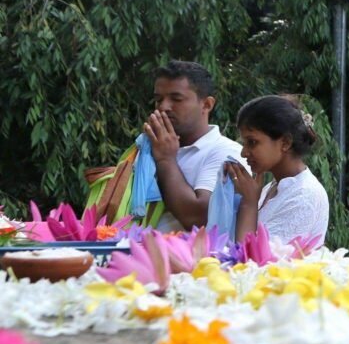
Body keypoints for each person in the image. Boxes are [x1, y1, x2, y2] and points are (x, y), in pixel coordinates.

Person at [86, 61, 247, 230]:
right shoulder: (148, 149)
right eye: (158, 100)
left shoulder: (226, 152)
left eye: (176, 99)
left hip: (189, 257)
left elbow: (199, 218)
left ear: (207, 104)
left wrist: (165, 160)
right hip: (132, 252)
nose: (163, 107)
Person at [223, 95, 329, 246]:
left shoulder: (304, 196)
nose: (243, 153)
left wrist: (249, 204)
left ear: (285, 142)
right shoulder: (272, 188)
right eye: (244, 143)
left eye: (252, 142)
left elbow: (252, 263)